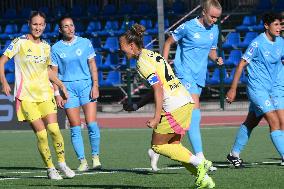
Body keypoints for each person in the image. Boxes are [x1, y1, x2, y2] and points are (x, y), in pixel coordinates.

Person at [119, 23, 215, 189]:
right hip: (183, 100)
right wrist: (137, 105)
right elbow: (158, 86)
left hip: (174, 105)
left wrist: (156, 117)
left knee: (158, 146)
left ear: (132, 45)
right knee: (173, 147)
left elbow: (157, 88)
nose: (120, 50)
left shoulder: (142, 63)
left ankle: (200, 162)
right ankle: (204, 179)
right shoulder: (151, 54)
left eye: (122, 46)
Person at [0, 11, 75, 180]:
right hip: (26, 97)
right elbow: (2, 61)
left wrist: (61, 86)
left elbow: (48, 71)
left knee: (55, 130)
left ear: (45, 26)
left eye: (41, 24)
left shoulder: (46, 47)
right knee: (41, 134)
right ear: (29, 24)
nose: (38, 27)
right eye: (35, 24)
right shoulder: (19, 42)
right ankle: (50, 168)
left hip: (45, 94)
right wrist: (4, 81)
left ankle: (62, 164)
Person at [159, 0, 223, 171]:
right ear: (203, 12)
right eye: (212, 17)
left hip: (199, 76)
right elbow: (168, 43)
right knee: (195, 111)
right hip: (184, 72)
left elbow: (211, 50)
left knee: (183, 114)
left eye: (217, 18)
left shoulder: (214, 30)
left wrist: (216, 58)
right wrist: (164, 66)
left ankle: (159, 146)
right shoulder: (188, 26)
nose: (214, 21)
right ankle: (200, 157)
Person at [226, 12, 284, 168]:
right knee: (275, 121)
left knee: (253, 121)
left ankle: (233, 154)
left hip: (275, 88)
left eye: (281, 24)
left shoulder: (281, 42)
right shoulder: (257, 44)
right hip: (258, 89)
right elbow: (241, 65)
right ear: (267, 25)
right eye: (276, 24)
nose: (279, 28)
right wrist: (233, 89)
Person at [51, 16, 101, 171]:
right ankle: (82, 161)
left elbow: (92, 65)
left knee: (92, 124)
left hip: (86, 87)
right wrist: (57, 94)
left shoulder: (85, 43)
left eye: (71, 25)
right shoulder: (56, 48)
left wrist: (95, 85)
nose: (70, 28)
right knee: (75, 126)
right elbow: (53, 74)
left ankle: (96, 158)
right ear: (61, 30)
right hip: (68, 90)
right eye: (66, 26)